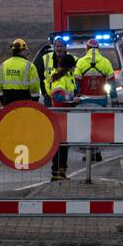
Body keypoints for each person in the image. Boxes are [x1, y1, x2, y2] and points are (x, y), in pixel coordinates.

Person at [47, 53, 79, 181]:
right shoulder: (61, 78)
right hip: (60, 115)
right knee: (60, 144)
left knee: (64, 144)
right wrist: (73, 99)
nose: (74, 69)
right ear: (69, 67)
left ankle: (61, 172)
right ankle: (57, 172)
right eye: (73, 67)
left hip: (65, 115)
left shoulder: (66, 76)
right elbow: (57, 96)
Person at [0, 37, 42, 107]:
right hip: (24, 99)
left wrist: (2, 99)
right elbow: (34, 86)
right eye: (25, 51)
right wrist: (35, 100)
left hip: (7, 100)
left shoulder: (3, 65)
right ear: (22, 51)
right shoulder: (29, 66)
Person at [41, 35, 69, 102]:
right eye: (57, 46)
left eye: (61, 46)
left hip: (67, 98)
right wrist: (44, 93)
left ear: (65, 48)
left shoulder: (72, 59)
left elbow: (75, 80)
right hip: (49, 97)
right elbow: (40, 76)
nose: (59, 48)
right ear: (54, 47)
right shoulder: (46, 58)